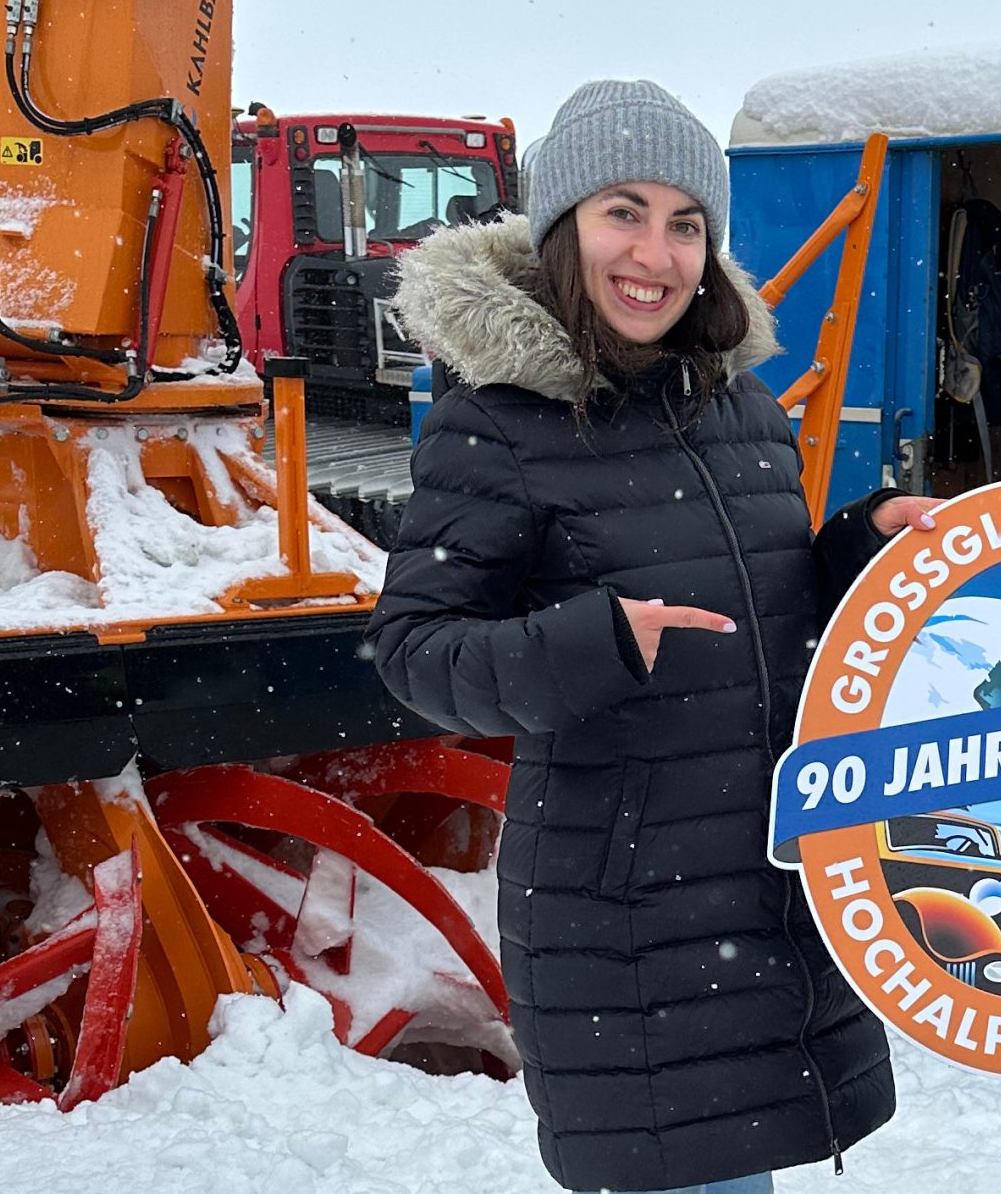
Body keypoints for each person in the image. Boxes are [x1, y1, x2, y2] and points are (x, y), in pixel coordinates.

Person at [366, 79, 923, 1194]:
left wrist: (861, 547)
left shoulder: (742, 409)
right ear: (563, 225)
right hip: (624, 918)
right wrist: (595, 642)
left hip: (763, 886)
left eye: (685, 223)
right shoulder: (497, 421)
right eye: (623, 212)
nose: (655, 255)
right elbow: (416, 651)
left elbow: (766, 602)